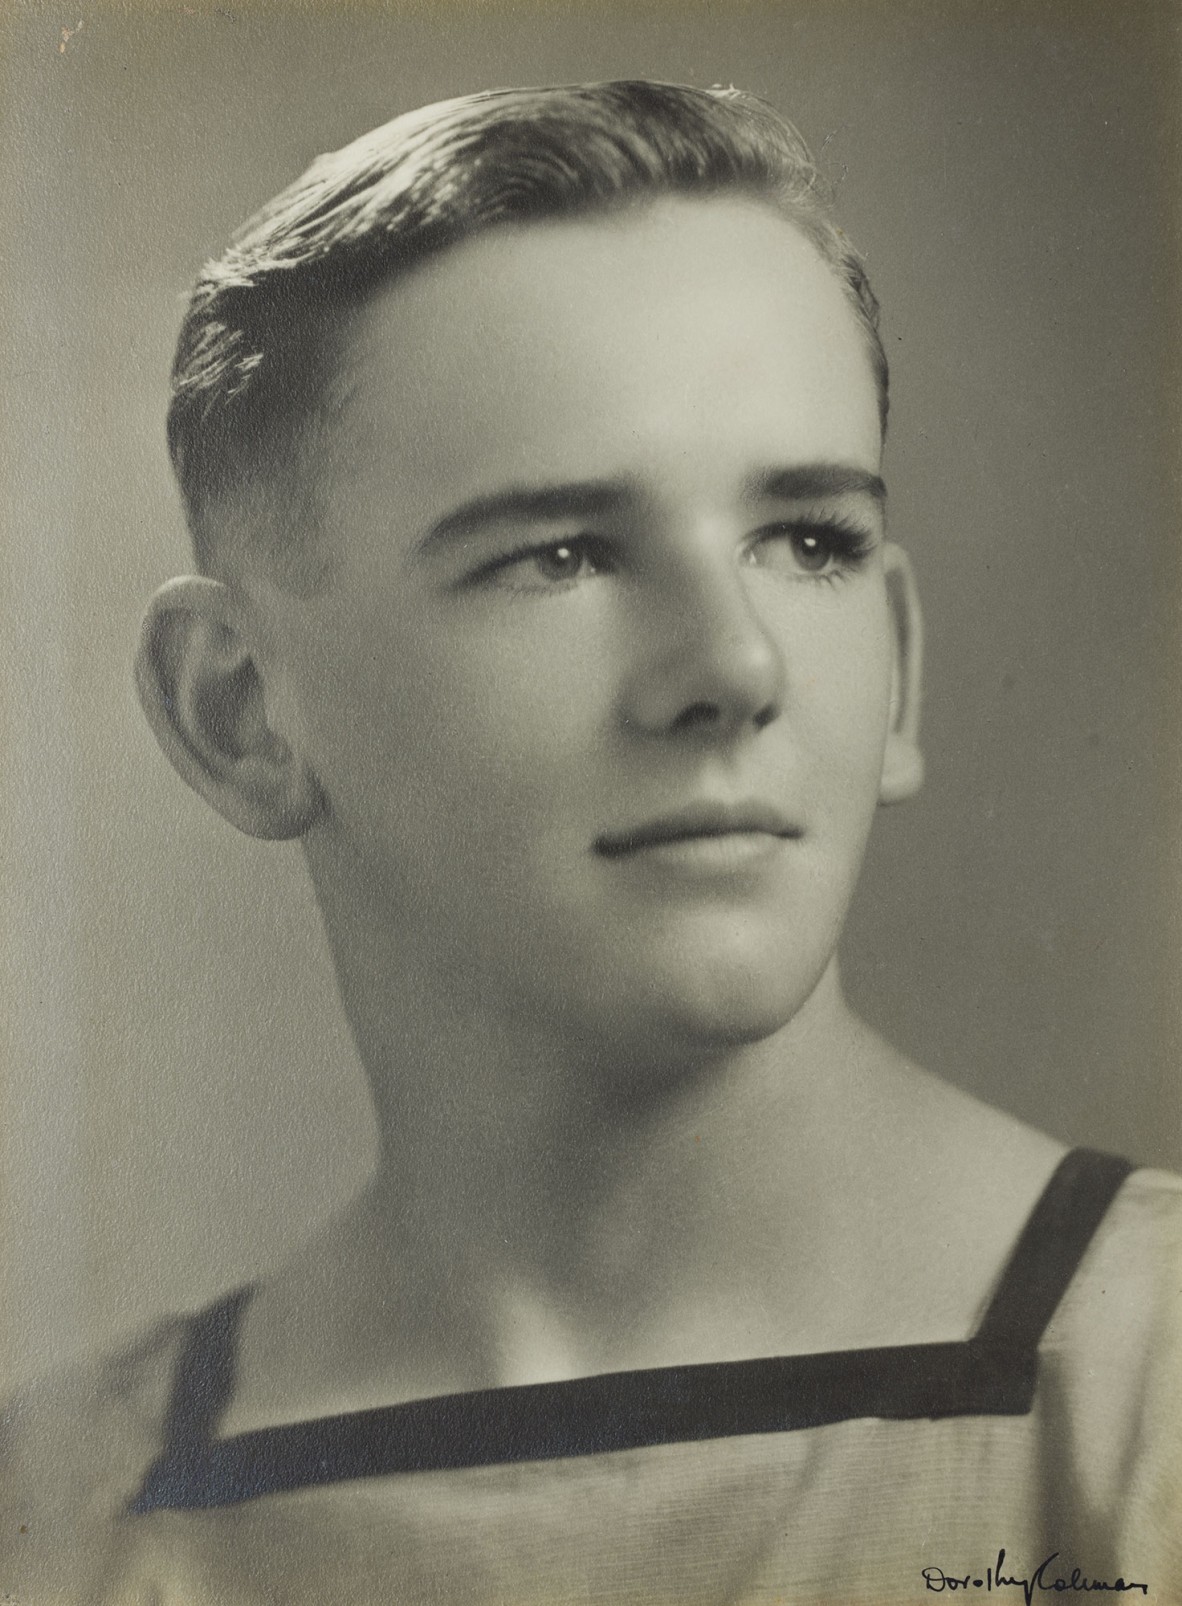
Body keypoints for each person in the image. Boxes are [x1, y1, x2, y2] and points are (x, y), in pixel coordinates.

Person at [2, 80, 1179, 1605]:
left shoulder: (1145, 1388)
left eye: (806, 539)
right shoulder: (62, 1514)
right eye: (555, 553)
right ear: (239, 709)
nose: (734, 668)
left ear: (894, 656)